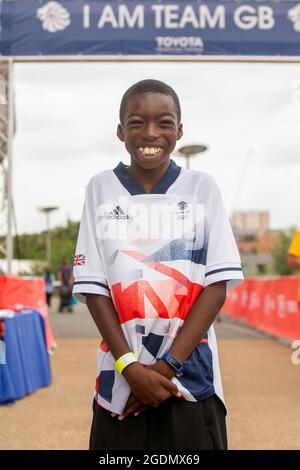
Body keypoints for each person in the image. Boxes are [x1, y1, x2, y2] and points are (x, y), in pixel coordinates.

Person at [73, 79, 244, 450]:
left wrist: (166, 368)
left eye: (164, 122)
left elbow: (216, 287)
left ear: (179, 130)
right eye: (136, 122)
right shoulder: (100, 189)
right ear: (121, 131)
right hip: (118, 381)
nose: (150, 132)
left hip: (191, 378)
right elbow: (94, 287)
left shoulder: (202, 188)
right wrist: (130, 369)